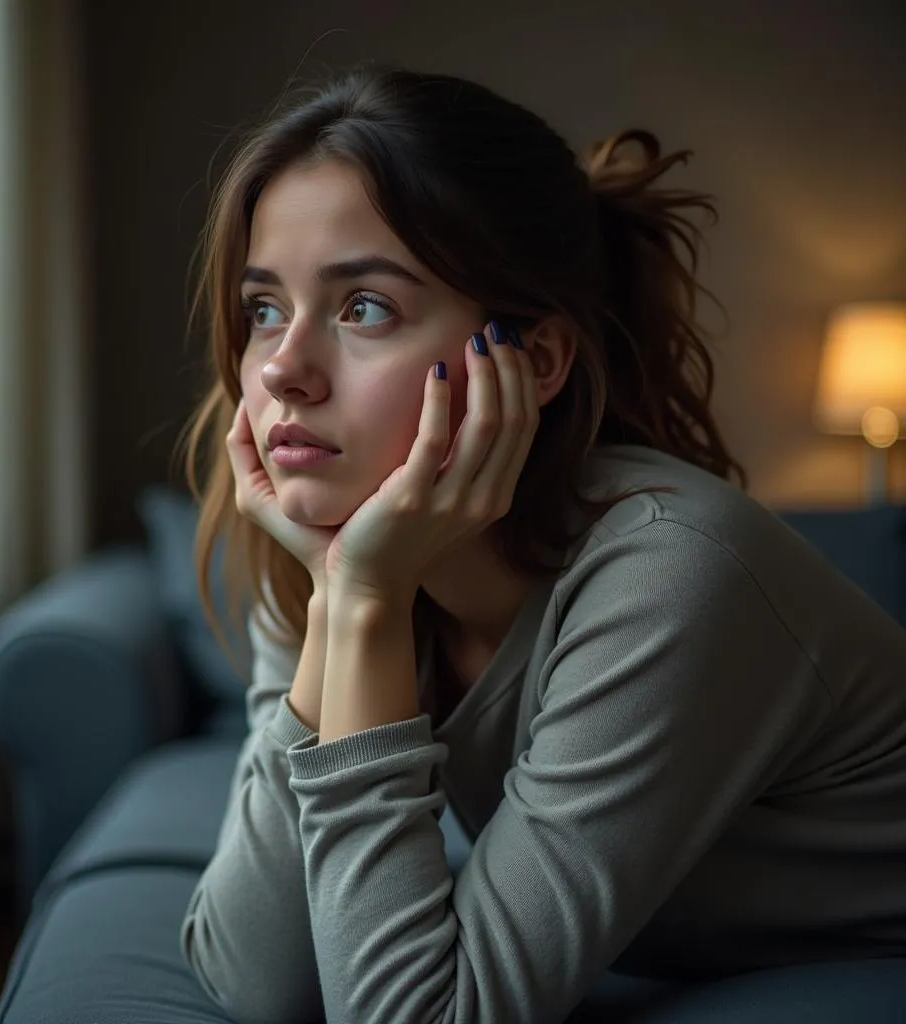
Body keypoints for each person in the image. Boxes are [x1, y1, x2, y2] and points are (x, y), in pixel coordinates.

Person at [177, 61, 906, 1023]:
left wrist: (359, 603)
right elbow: (255, 981)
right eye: (265, 308)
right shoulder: (338, 544)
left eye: (365, 308)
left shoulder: (671, 572)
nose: (281, 369)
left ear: (535, 360)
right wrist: (351, 610)